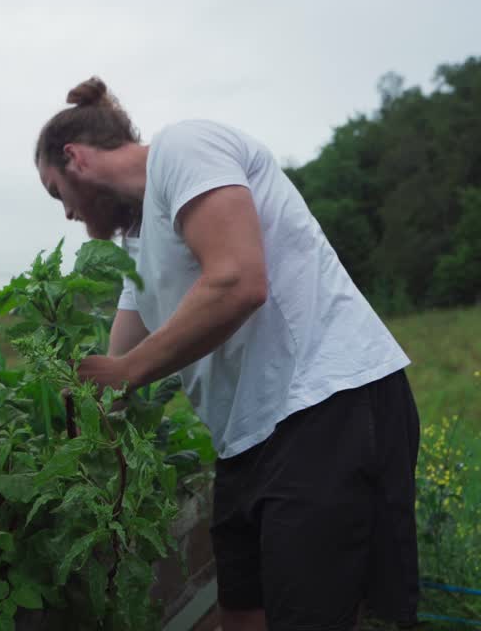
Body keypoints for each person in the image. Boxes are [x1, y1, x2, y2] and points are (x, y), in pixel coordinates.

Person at [34, 77, 420, 631]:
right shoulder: (138, 240)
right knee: (240, 613)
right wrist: (79, 424)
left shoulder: (184, 148)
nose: (67, 214)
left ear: (76, 158)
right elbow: (120, 352)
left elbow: (238, 281)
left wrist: (125, 374)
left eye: (57, 193)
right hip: (247, 437)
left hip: (326, 404)